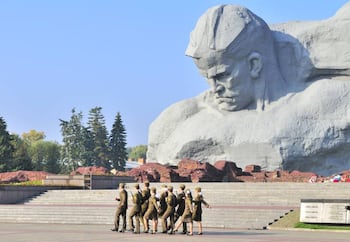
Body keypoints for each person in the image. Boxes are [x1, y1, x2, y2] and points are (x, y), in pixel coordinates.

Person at [147, 3, 350, 176]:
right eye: (206, 78)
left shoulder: (324, 102)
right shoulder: (183, 118)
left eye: (222, 75)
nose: (214, 88)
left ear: (254, 64)